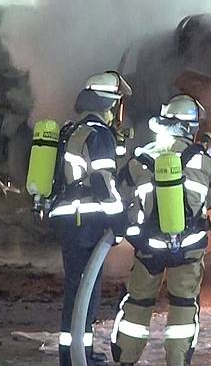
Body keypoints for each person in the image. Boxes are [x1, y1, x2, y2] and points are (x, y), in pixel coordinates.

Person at [110, 94, 211, 366]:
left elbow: (121, 189)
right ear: (190, 127)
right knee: (184, 304)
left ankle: (126, 358)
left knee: (139, 301)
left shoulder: (143, 157)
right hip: (188, 248)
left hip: (149, 247)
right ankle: (177, 360)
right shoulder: (203, 161)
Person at [48, 71, 132, 366]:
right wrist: (119, 218)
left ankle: (73, 353)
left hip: (73, 219)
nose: (116, 112)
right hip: (84, 221)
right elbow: (102, 182)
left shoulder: (77, 129)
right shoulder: (98, 134)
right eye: (116, 105)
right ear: (107, 103)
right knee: (84, 291)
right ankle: (76, 357)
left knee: (78, 289)